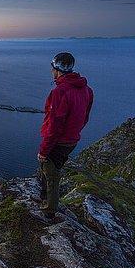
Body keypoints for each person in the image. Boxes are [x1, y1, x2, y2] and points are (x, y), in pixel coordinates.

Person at [38, 52, 93, 219]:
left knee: (51, 175)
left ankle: (49, 212)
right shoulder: (86, 90)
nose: (50, 70)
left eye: (52, 68)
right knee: (47, 171)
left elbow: (54, 125)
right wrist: (73, 133)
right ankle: (44, 200)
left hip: (58, 141)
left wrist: (44, 149)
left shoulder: (60, 92)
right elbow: (85, 117)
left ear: (57, 69)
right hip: (71, 140)